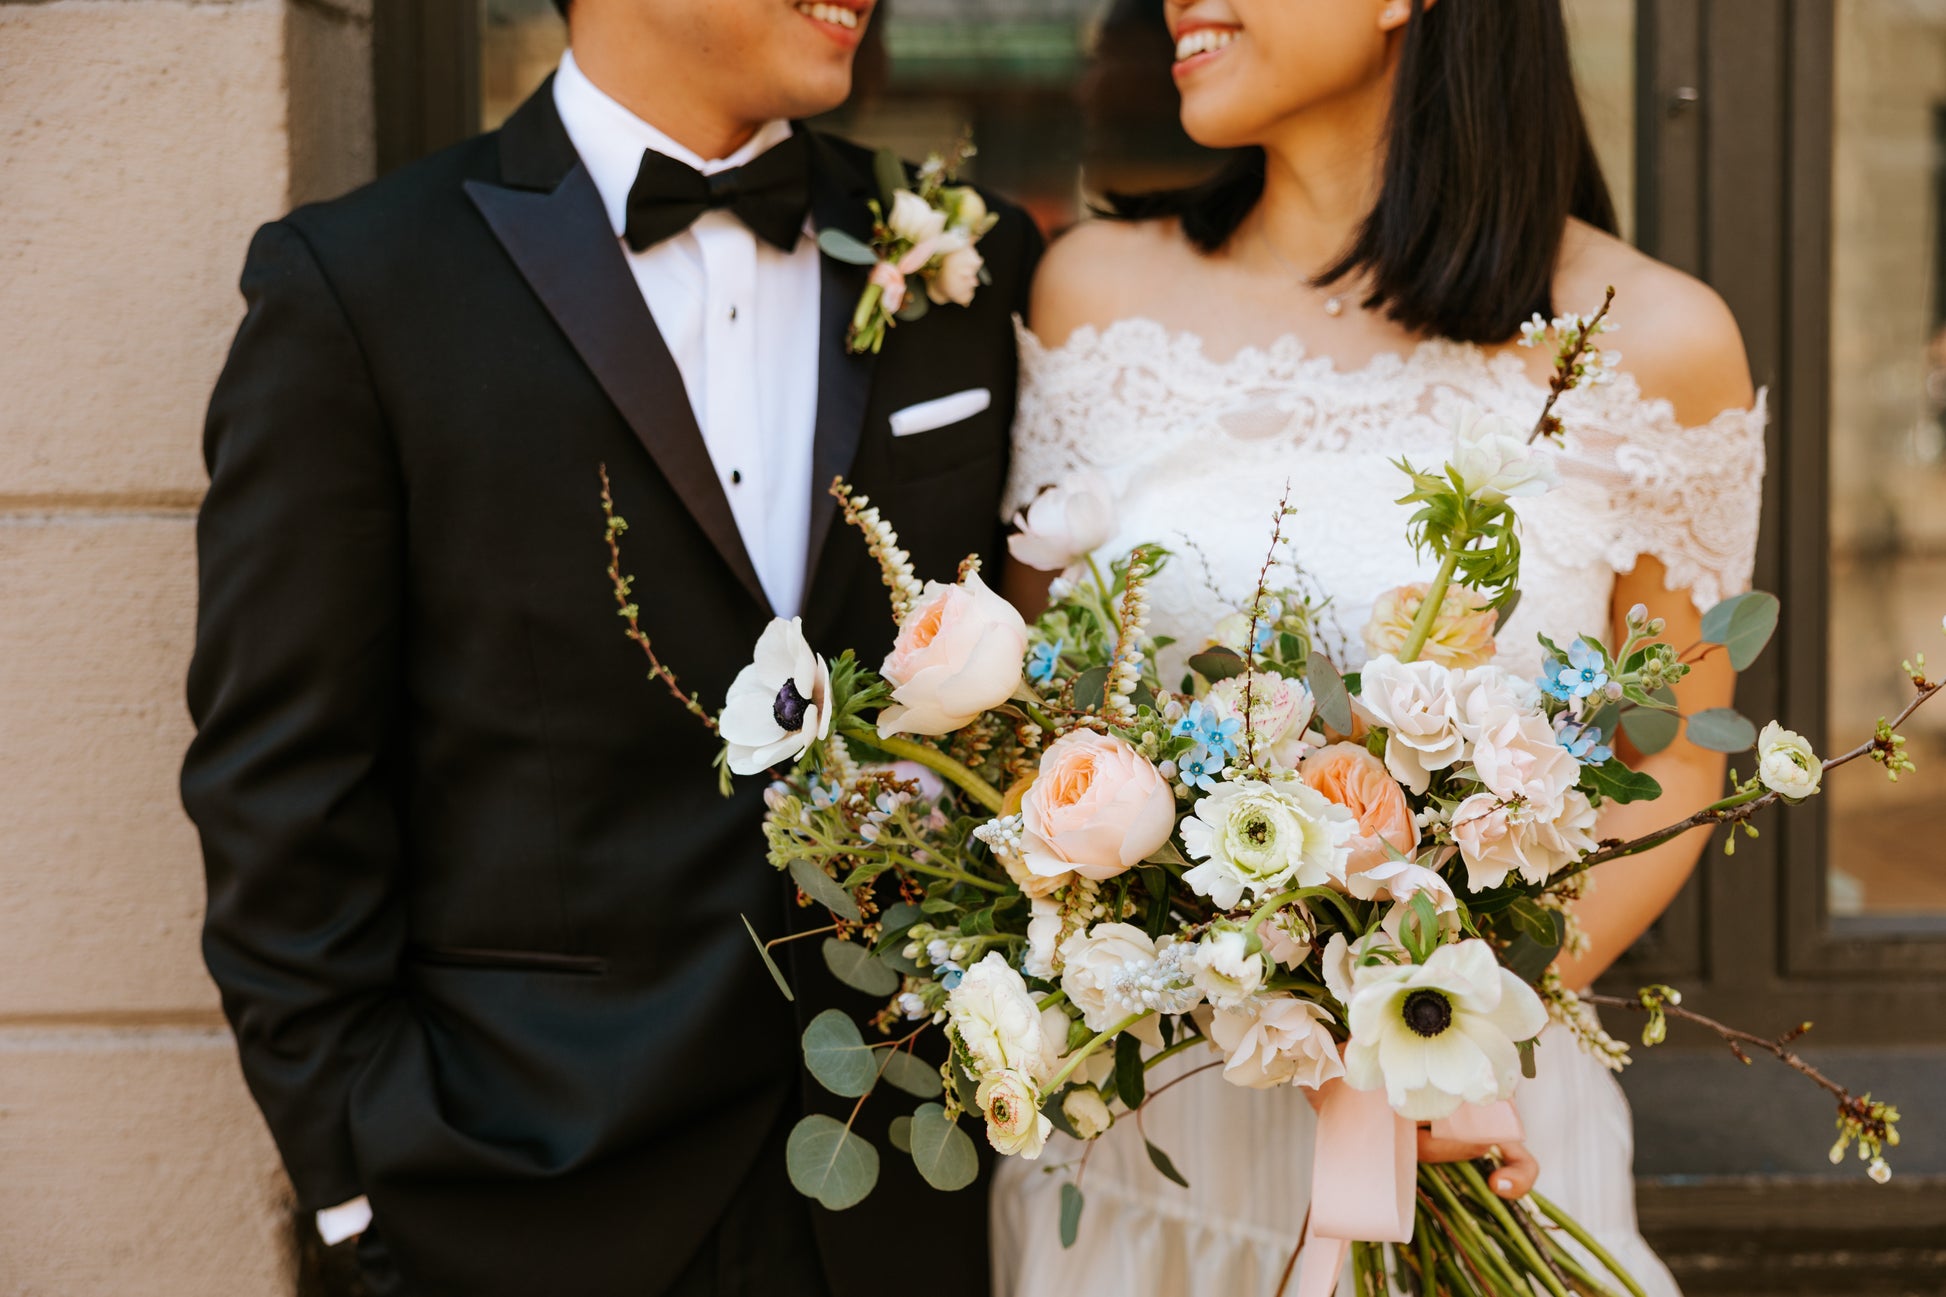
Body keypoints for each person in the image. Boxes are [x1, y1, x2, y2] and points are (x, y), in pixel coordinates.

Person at [180, 0, 1041, 1292]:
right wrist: (362, 1194)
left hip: (906, 1199)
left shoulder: (971, 259)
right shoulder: (363, 287)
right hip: (522, 1205)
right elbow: (279, 793)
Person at [993, 0, 1762, 1293]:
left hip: (1472, 1133)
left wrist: (1417, 1027)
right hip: (1143, 1156)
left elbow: (1674, 758)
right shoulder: (1090, 296)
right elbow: (1036, 709)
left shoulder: (1651, 347)